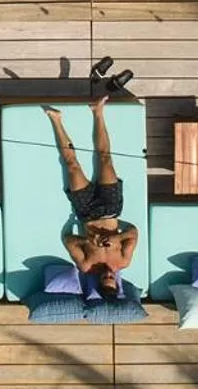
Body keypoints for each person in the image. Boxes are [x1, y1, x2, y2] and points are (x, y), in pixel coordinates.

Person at [44, 96, 137, 300]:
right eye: (112, 277)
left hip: (86, 212)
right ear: (117, 280)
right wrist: (117, 238)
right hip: (111, 208)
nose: (108, 273)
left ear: (98, 281)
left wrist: (88, 239)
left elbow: (68, 240)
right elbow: (133, 232)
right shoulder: (123, 260)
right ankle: (97, 112)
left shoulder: (86, 265)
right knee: (105, 157)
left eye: (105, 278)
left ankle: (56, 119)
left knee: (71, 165)